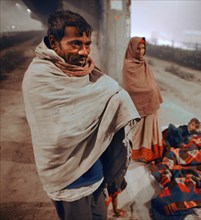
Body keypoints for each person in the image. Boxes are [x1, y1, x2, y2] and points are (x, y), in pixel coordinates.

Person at [22, 10, 140, 220]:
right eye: (75, 43)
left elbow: (113, 95)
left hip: (95, 173)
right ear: (54, 42)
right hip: (68, 180)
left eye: (87, 44)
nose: (84, 52)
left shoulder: (88, 72)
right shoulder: (39, 77)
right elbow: (57, 137)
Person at [122, 37, 163, 163]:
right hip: (139, 103)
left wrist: (152, 91)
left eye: (143, 48)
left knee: (150, 129)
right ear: (132, 49)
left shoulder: (144, 63)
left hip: (151, 102)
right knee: (138, 131)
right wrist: (149, 91)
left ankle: (150, 151)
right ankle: (137, 152)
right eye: (138, 48)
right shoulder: (128, 65)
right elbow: (130, 87)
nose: (141, 51)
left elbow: (151, 82)